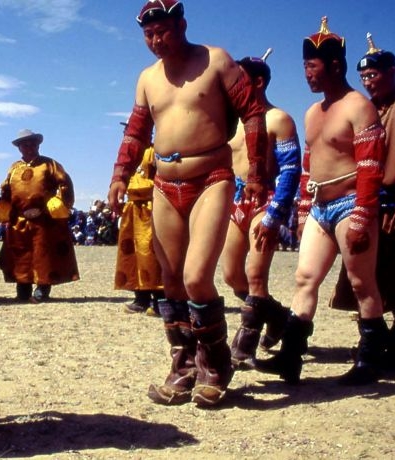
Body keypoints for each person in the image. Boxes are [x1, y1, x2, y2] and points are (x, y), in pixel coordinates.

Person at [108, 0, 268, 407]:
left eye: (163, 31)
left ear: (181, 25)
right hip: (164, 182)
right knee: (172, 279)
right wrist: (119, 176)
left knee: (197, 277)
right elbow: (137, 131)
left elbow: (252, 113)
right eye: (148, 34)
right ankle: (183, 366)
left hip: (211, 177)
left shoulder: (215, 61)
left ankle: (215, 365)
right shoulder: (147, 78)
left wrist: (258, 173)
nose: (156, 40)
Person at [256, 18, 388, 386]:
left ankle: (370, 359)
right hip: (320, 207)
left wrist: (363, 214)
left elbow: (370, 167)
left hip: (350, 203)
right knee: (304, 277)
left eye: (311, 67)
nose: (306, 75)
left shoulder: (359, 107)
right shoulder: (313, 113)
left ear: (333, 65)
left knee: (362, 283)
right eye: (304, 67)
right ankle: (290, 358)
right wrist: (300, 211)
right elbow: (308, 166)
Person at [221, 51, 302, 370]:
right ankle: (279, 316)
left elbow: (291, 169)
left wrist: (276, 213)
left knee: (256, 275)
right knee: (232, 276)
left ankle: (244, 346)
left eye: (239, 79)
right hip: (235, 200)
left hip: (264, 198)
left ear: (257, 81)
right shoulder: (232, 123)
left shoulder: (278, 119)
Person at [328, 33, 395, 364]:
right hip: (370, 203)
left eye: (375, 74)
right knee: (370, 275)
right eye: (364, 77)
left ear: (392, 71)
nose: (369, 81)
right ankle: (376, 342)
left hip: (394, 204)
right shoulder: (367, 110)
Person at [0, 129, 80, 303]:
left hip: (44, 219)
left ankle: (42, 288)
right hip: (19, 219)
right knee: (21, 255)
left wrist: (53, 208)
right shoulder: (14, 168)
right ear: (19, 148)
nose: (28, 146)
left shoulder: (49, 164)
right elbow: (6, 190)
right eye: (24, 144)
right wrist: (5, 210)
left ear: (38, 144)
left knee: (43, 254)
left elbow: (65, 184)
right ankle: (23, 288)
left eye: (32, 143)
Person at [113, 142, 165, 315]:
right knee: (134, 255)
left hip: (150, 207)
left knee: (152, 254)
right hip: (132, 208)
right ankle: (141, 297)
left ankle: (160, 298)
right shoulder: (127, 158)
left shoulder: (154, 151)